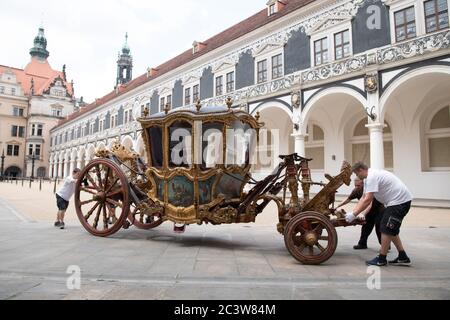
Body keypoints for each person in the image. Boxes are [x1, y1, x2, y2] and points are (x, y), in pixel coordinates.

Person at [346, 162, 413, 267]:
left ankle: (381, 259)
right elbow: (364, 197)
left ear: (360, 170)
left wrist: (354, 214)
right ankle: (402, 256)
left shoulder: (372, 177)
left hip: (399, 202)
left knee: (385, 228)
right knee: (391, 229)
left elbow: (368, 199)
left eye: (356, 173)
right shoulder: (368, 178)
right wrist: (353, 212)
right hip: (395, 202)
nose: (356, 176)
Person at [336, 178, 383, 250]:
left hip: (379, 210)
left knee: (379, 227)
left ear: (363, 184)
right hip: (369, 212)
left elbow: (369, 204)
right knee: (366, 227)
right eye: (355, 185)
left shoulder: (369, 190)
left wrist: (363, 214)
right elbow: (348, 199)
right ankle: (362, 244)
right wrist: (338, 205)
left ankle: (384, 246)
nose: (356, 187)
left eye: (358, 185)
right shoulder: (356, 190)